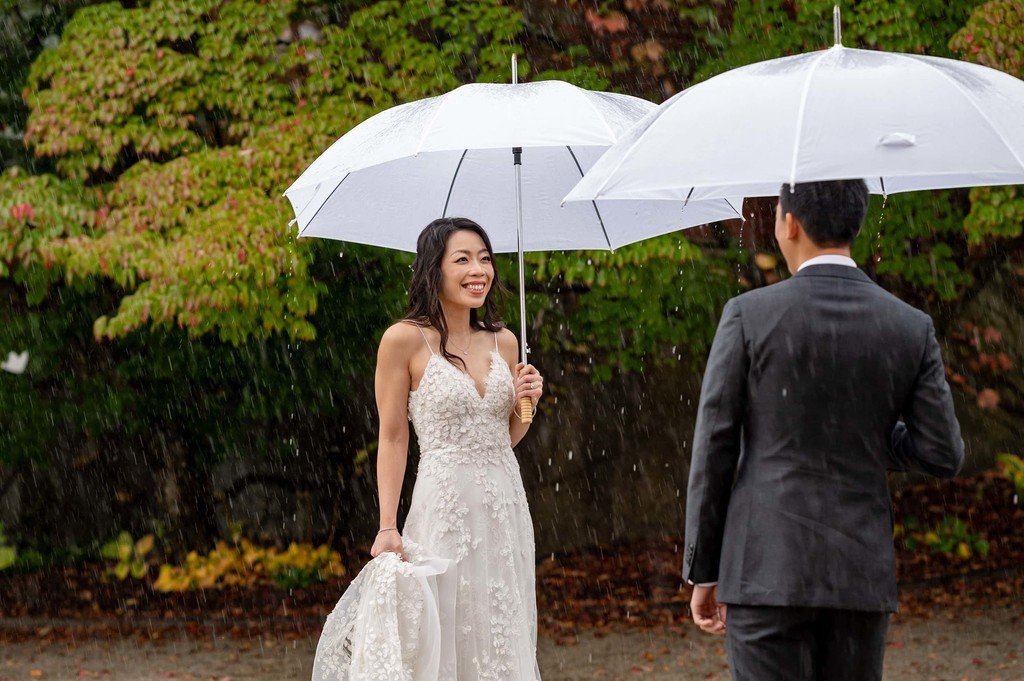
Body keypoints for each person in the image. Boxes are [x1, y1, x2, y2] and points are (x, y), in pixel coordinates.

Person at [683, 180, 964, 681]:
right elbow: (941, 452)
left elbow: (714, 449)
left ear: (789, 223)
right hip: (858, 573)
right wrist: (869, 436)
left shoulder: (749, 316)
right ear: (855, 225)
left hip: (764, 569)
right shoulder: (909, 325)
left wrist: (704, 569)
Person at [312, 217, 544, 681]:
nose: (478, 269)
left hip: (504, 507)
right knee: (441, 628)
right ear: (432, 269)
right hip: (444, 505)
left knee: (500, 627)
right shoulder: (402, 340)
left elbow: (506, 438)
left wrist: (528, 403)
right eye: (462, 259)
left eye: (484, 258)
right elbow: (394, 436)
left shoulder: (504, 340)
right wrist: (386, 525)